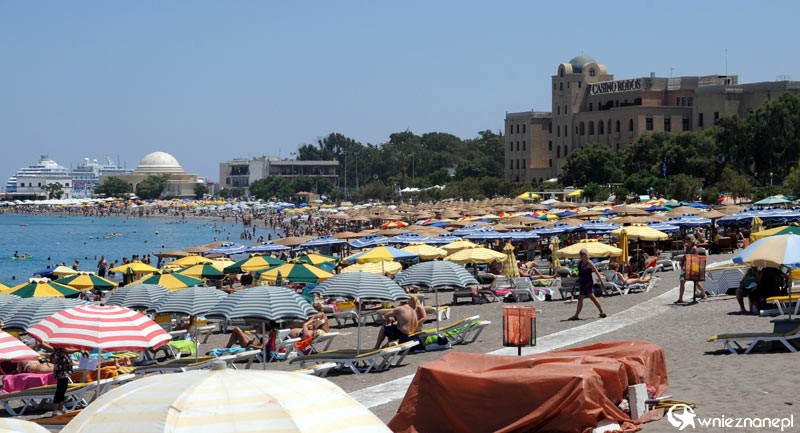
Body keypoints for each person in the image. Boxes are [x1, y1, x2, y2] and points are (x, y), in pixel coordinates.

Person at [567, 249, 607, 321]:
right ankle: (602, 312)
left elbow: (597, 272)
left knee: (581, 298)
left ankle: (576, 315)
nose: (581, 256)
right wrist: (575, 275)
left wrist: (601, 282)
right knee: (592, 297)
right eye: (580, 255)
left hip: (588, 282)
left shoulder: (589, 262)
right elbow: (580, 273)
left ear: (586, 255)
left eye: (582, 254)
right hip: (583, 282)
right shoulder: (580, 262)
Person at [676, 235, 708, 303]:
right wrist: (683, 259)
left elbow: (695, 258)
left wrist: (686, 258)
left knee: (696, 282)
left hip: (691, 266)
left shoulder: (694, 248)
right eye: (686, 240)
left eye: (688, 241)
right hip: (685, 266)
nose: (687, 242)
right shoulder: (688, 247)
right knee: (682, 282)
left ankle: (704, 293)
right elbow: (686, 255)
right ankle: (680, 298)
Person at [51, 347, 75, 416]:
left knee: (63, 390)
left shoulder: (61, 348)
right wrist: (79, 350)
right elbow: (66, 350)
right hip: (61, 371)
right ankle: (55, 410)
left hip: (65, 371)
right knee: (60, 390)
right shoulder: (60, 347)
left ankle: (60, 409)